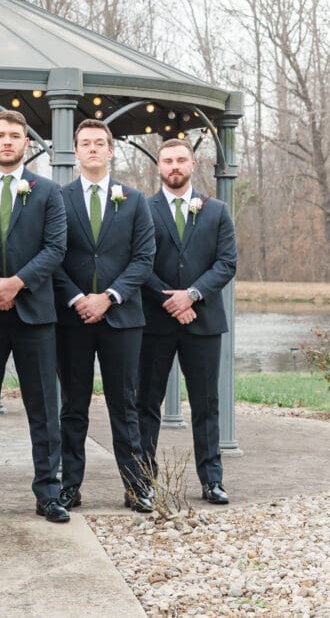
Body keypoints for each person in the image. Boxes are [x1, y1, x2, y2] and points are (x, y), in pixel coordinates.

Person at [0, 110, 69, 524]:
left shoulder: (47, 192)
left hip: (34, 314)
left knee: (43, 406)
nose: (7, 142)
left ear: (26, 143)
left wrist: (16, 283)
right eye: (0, 135)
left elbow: (55, 249)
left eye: (15, 136)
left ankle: (49, 493)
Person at [53, 119, 156, 513]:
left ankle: (136, 487)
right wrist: (79, 298)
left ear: (111, 151)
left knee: (125, 405)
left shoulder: (134, 200)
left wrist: (109, 297)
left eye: (100, 143)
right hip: (73, 318)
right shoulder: (58, 199)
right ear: (76, 152)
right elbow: (53, 256)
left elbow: (144, 258)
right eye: (85, 143)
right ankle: (69, 487)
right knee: (73, 405)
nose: (93, 149)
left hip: (123, 319)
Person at [137, 138, 237, 505]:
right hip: (154, 322)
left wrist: (192, 295)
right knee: (145, 403)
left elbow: (226, 263)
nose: (174, 166)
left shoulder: (217, 211)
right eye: (168, 161)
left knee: (206, 403)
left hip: (203, 321)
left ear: (193, 165)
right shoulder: (142, 209)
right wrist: (171, 300)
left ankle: (212, 480)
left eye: (181, 160)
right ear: (159, 167)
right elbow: (138, 263)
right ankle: (144, 480)